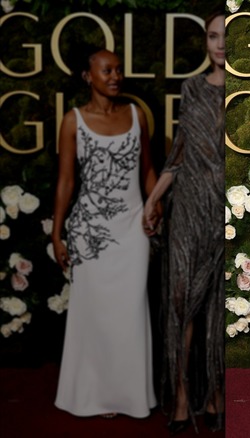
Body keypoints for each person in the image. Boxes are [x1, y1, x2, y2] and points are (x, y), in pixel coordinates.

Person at [52, 46, 158, 418]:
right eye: (106, 70)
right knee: (93, 314)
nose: (115, 76)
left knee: (128, 313)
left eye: (118, 70)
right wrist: (57, 233)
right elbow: (66, 181)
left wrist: (154, 200)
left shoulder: (135, 115)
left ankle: (127, 395)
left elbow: (147, 168)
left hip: (131, 229)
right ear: (88, 76)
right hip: (89, 231)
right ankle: (92, 393)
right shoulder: (72, 121)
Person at [143, 10, 225, 434]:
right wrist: (153, 201)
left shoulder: (243, 92)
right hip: (189, 208)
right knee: (181, 305)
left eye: (226, 37)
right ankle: (179, 396)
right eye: (212, 36)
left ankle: (214, 394)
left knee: (214, 305)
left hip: (222, 211)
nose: (219, 44)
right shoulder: (192, 89)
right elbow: (177, 155)